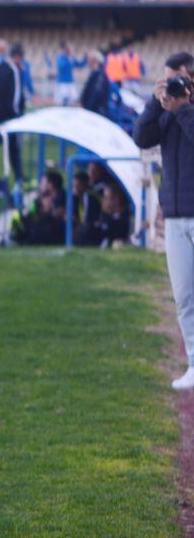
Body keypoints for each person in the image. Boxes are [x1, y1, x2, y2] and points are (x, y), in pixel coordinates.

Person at [133, 51, 194, 391]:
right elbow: (141, 138)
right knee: (184, 296)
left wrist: (183, 107)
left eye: (179, 79)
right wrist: (156, 103)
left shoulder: (184, 110)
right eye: (168, 78)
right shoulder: (167, 108)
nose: (173, 84)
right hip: (174, 215)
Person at [0, 41, 27, 183]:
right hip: (9, 118)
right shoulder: (13, 70)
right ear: (19, 57)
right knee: (13, 150)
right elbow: (15, 97)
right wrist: (17, 116)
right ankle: (19, 179)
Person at [48, 41, 85, 106]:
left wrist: (85, 59)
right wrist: (68, 61)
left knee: (72, 100)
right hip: (62, 82)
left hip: (70, 82)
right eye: (68, 49)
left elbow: (79, 65)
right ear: (65, 50)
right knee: (62, 101)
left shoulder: (72, 58)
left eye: (70, 49)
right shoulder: (60, 58)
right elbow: (61, 66)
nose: (70, 51)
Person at [80, 51, 110, 116]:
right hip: (91, 110)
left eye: (89, 60)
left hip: (95, 112)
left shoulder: (100, 76)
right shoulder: (94, 73)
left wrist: (87, 109)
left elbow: (96, 95)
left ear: (94, 61)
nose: (87, 62)